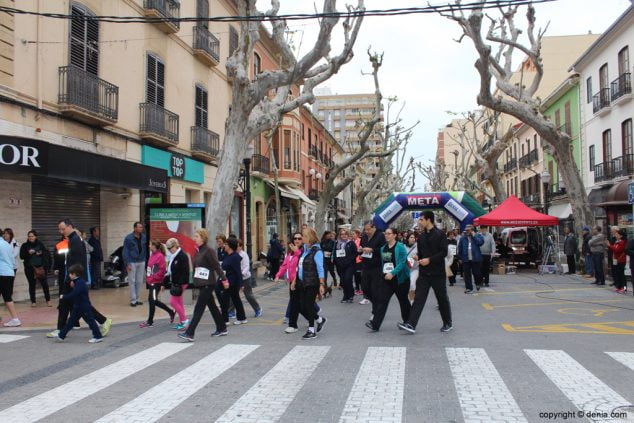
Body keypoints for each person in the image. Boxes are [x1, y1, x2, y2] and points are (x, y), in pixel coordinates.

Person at [48, 219, 111, 338]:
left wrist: (74, 279)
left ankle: (102, 321)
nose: (61, 231)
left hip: (73, 277)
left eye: (63, 229)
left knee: (71, 303)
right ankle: (61, 329)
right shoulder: (73, 239)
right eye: (59, 229)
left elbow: (78, 262)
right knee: (70, 304)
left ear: (70, 226)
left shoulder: (75, 240)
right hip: (72, 277)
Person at [398, 211, 452, 334]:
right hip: (423, 273)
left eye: (421, 219)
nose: (419, 222)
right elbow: (421, 252)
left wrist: (429, 260)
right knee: (418, 298)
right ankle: (411, 324)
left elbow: (443, 252)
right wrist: (418, 256)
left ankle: (448, 323)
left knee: (442, 298)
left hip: (437, 273)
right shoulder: (421, 237)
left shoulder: (440, 234)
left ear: (429, 220)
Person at [178, 229, 227, 342]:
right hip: (201, 284)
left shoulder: (209, 251)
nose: (194, 238)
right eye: (194, 236)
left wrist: (224, 280)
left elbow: (216, 266)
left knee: (198, 309)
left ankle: (190, 333)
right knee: (213, 307)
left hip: (208, 284)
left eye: (196, 236)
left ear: (203, 238)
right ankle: (222, 328)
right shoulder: (198, 251)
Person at [366, 228, 411, 332]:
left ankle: (408, 322)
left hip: (401, 279)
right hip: (387, 280)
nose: (386, 235)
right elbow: (384, 263)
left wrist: (393, 273)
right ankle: (375, 324)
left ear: (395, 235)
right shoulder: (383, 248)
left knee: (403, 301)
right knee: (382, 300)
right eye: (385, 234)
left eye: (389, 234)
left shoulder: (400, 247)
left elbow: (402, 262)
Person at [290, 227, 327, 340]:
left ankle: (311, 330)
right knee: (301, 306)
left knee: (309, 306)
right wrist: (294, 281)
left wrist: (322, 284)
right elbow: (299, 267)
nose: (302, 238)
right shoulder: (305, 250)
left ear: (310, 238)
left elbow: (321, 269)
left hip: (312, 283)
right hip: (302, 282)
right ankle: (320, 320)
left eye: (304, 236)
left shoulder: (317, 251)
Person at [53, 264, 102, 343]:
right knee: (71, 321)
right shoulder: (78, 282)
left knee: (90, 321)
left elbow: (75, 293)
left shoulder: (80, 283)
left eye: (70, 274)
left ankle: (98, 336)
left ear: (75, 274)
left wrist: (64, 297)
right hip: (78, 306)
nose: (69, 275)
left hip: (83, 306)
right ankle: (61, 335)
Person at [140, 240, 175, 328]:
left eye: (150, 244)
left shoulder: (160, 256)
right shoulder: (152, 255)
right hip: (151, 282)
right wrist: (149, 278)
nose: (149, 246)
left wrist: (153, 278)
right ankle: (171, 312)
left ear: (154, 246)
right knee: (153, 301)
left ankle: (150, 321)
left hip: (156, 282)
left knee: (152, 301)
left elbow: (162, 270)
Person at [19, 230, 52, 307]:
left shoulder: (40, 244)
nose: (31, 238)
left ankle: (48, 300)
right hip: (29, 268)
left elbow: (46, 253)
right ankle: (33, 301)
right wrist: (28, 253)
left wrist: (40, 253)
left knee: (45, 284)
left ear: (35, 236)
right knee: (32, 285)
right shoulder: (25, 245)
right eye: (29, 236)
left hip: (40, 268)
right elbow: (21, 256)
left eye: (32, 236)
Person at [359, 221, 386, 310]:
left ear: (374, 227)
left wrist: (372, 250)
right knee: (365, 288)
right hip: (365, 266)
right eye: (365, 230)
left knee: (375, 290)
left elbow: (384, 250)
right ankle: (377, 304)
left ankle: (375, 311)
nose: (366, 231)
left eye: (368, 229)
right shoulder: (364, 237)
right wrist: (360, 251)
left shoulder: (381, 236)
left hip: (376, 266)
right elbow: (361, 247)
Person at [220, 237, 247, 325]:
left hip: (232, 282)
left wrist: (241, 284)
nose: (224, 245)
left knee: (225, 300)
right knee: (236, 299)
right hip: (227, 281)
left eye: (226, 244)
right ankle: (242, 318)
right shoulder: (227, 254)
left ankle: (225, 320)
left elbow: (238, 271)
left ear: (230, 246)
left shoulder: (235, 257)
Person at [165, 238, 190, 330]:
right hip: (176, 282)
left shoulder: (182, 256)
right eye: (167, 248)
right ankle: (182, 322)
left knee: (173, 302)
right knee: (179, 302)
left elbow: (185, 271)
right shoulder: (174, 256)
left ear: (176, 246)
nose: (169, 250)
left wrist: (179, 283)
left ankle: (184, 320)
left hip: (180, 283)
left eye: (170, 248)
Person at [123, 222, 147, 307]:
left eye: (141, 227)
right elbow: (125, 251)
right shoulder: (128, 238)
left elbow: (146, 249)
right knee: (132, 281)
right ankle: (133, 300)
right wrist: (127, 263)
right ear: (135, 228)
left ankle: (137, 298)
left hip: (141, 261)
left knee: (139, 281)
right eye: (139, 227)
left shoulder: (144, 237)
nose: (141, 229)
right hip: (132, 261)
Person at [237, 239, 262, 317]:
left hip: (245, 278)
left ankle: (258, 309)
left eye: (238, 246)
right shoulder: (234, 254)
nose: (236, 248)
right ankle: (230, 311)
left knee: (248, 295)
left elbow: (247, 266)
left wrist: (242, 274)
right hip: (237, 278)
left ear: (241, 247)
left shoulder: (244, 255)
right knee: (234, 295)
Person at [1, 231, 20, 327]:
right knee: (7, 297)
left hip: (2, 273)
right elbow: (13, 259)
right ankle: (15, 319)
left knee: (7, 298)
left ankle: (15, 319)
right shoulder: (7, 244)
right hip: (9, 272)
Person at [458, 225, 484, 294]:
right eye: (466, 230)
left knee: (476, 273)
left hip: (475, 258)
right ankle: (469, 288)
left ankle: (478, 283)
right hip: (466, 259)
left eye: (468, 230)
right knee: (467, 274)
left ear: (472, 230)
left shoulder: (478, 236)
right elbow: (460, 248)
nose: (467, 231)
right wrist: (460, 257)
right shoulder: (463, 238)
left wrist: (474, 236)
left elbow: (480, 243)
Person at [333, 228, 357, 303]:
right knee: (343, 281)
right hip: (340, 265)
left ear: (347, 235)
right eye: (342, 234)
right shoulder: (337, 243)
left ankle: (351, 295)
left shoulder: (351, 243)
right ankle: (345, 295)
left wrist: (348, 260)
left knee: (348, 279)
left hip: (349, 265)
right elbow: (335, 254)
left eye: (345, 234)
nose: (343, 235)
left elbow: (355, 253)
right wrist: (337, 261)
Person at [606, 228, 627, 294]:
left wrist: (610, 246)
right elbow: (614, 249)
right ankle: (619, 287)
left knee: (622, 275)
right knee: (618, 274)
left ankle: (624, 288)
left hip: (621, 260)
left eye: (617, 234)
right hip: (616, 260)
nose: (616, 235)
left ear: (621, 236)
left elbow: (617, 250)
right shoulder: (616, 242)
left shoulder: (622, 242)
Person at [405, 233, 418, 302]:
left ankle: (412, 301)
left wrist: (417, 258)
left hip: (415, 269)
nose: (413, 239)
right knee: (407, 286)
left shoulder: (418, 247)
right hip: (406, 269)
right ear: (407, 238)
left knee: (412, 283)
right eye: (411, 237)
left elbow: (422, 256)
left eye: (414, 237)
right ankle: (409, 299)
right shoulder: (403, 247)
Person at [351, 229, 363, 296]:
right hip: (353, 261)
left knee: (359, 275)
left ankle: (361, 289)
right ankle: (357, 288)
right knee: (355, 275)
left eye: (354, 234)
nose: (352, 235)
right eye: (352, 234)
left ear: (357, 234)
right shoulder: (351, 241)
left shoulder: (360, 241)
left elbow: (361, 250)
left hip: (359, 260)